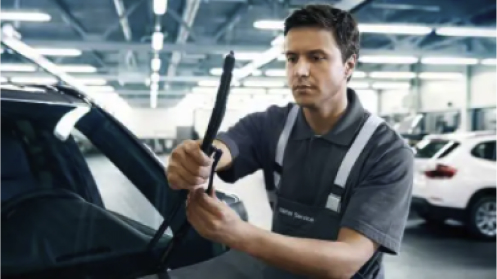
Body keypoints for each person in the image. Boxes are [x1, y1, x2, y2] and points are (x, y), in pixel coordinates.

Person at [166, 4, 413, 279]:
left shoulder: (387, 152)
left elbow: (345, 261)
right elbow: (227, 147)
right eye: (292, 58)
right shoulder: (273, 124)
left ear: (348, 66)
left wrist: (238, 234)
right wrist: (197, 159)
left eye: (317, 57)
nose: (300, 70)